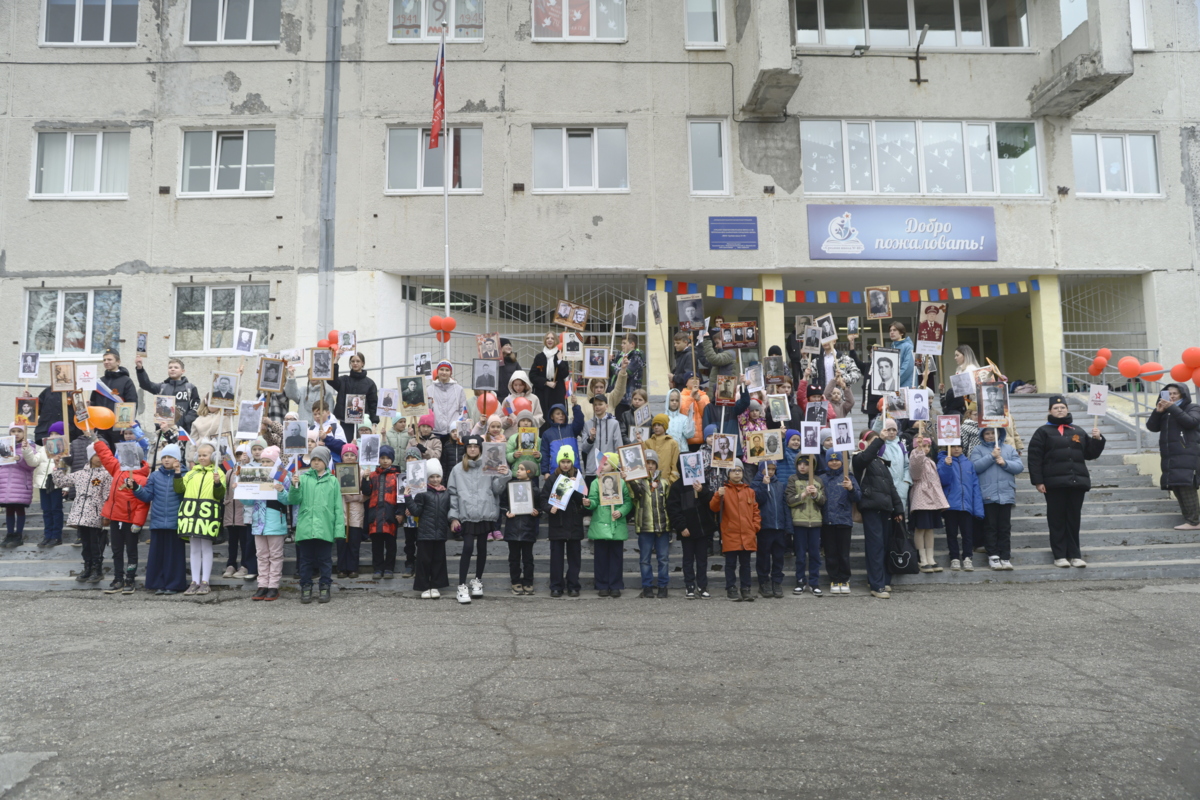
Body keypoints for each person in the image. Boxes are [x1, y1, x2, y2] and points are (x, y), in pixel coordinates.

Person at [1028, 395, 1106, 568]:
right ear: (1050, 411)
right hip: (1054, 484)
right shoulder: (1043, 432)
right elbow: (1035, 458)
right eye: (1056, 408)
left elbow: (1090, 454)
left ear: (1067, 409)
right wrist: (1038, 481)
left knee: (1073, 519)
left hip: (1076, 482)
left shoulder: (1077, 430)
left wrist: (1097, 439)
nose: (1059, 410)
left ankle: (1075, 555)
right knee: (1056, 519)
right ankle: (1059, 555)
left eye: (1062, 407)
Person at [277, 445, 344, 603]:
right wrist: (294, 486)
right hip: (306, 526)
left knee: (325, 560)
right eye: (313, 459)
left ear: (326, 462)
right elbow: (294, 500)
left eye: (319, 460)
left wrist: (339, 530)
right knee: (305, 560)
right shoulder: (303, 478)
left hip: (325, 527)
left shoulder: (333, 481)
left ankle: (324, 587)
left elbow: (338, 507)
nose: (316, 462)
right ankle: (306, 587)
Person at [448, 435, 511, 604]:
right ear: (466, 449)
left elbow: (497, 489)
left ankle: (477, 580)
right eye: (469, 447)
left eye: (476, 447)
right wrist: (453, 517)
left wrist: (504, 475)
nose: (473, 449)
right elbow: (453, 495)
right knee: (468, 547)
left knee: (482, 547)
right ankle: (461, 585)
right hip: (466, 514)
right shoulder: (457, 469)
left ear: (481, 449)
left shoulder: (490, 465)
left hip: (485, 512)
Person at [91, 439, 150, 593]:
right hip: (115, 518)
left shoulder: (142, 479)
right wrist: (97, 442)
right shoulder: (117, 469)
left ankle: (130, 579)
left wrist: (138, 523)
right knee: (116, 550)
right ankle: (118, 578)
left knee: (131, 551)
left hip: (130, 521)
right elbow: (106, 456)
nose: (123, 459)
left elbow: (142, 504)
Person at [130, 443, 187, 595]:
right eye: (164, 457)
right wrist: (136, 488)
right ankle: (158, 583)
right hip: (158, 521)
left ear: (178, 459)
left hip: (176, 521)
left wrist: (177, 474)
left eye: (170, 457)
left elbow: (183, 493)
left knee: (174, 556)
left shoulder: (186, 474)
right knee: (158, 555)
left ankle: (174, 584)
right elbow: (148, 495)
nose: (167, 460)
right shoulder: (155, 475)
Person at [853, 432, 905, 599]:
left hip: (885, 508)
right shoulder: (859, 459)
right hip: (871, 508)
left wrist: (898, 509)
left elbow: (891, 487)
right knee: (875, 546)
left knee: (883, 545)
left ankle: (880, 580)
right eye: (873, 441)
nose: (878, 444)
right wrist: (880, 439)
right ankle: (877, 585)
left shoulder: (881, 463)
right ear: (864, 442)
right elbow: (866, 456)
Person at [52, 443, 111, 584]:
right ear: (90, 457)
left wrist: (106, 514)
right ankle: (87, 567)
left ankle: (97, 568)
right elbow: (60, 482)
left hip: (96, 512)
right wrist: (58, 467)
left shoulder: (106, 474)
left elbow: (107, 495)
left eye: (101, 455)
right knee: (85, 542)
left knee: (95, 542)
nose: (99, 458)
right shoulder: (80, 474)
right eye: (96, 455)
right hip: (80, 513)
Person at [1146, 383, 1200, 530]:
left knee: (1186, 485)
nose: (1171, 396)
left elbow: (1191, 422)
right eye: (1168, 394)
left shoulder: (1193, 407)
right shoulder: (1165, 411)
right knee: (1176, 486)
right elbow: (1151, 427)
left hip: (1187, 454)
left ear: (1183, 394)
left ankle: (1194, 521)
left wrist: (1172, 408)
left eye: (1175, 393)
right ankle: (1190, 520)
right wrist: (1158, 412)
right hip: (1170, 456)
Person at [174, 443, 224, 596]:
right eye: (200, 455)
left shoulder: (218, 473)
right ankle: (194, 581)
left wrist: (217, 483)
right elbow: (179, 489)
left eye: (205, 455)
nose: (202, 458)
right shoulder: (191, 473)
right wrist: (177, 474)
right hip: (190, 514)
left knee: (206, 548)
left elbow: (220, 495)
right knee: (194, 548)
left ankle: (205, 581)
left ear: (214, 457)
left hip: (207, 515)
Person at [971, 427, 1024, 570]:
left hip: (1006, 493)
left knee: (1005, 527)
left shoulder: (1009, 449)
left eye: (992, 433)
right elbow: (975, 467)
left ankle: (1005, 556)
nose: (990, 436)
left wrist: (1005, 463)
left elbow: (1019, 467)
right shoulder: (978, 450)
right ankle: (993, 555)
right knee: (990, 526)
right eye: (986, 434)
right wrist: (991, 456)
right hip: (988, 493)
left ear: (999, 433)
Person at [710, 459, 759, 602]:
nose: (737, 473)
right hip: (731, 533)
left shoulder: (749, 491)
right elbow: (714, 508)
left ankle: (746, 589)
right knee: (730, 564)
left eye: (739, 470)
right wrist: (717, 495)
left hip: (747, 534)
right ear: (728, 473)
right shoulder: (723, 491)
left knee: (746, 564)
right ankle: (731, 588)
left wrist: (755, 527)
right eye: (733, 470)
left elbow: (755, 511)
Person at [584, 453, 633, 598]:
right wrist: (589, 504)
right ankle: (602, 585)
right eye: (600, 464)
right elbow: (593, 501)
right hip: (601, 525)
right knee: (600, 558)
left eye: (605, 464)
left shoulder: (622, 482)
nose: (601, 466)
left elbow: (628, 502)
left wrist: (621, 511)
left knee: (616, 558)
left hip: (616, 525)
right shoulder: (595, 482)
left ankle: (616, 585)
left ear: (613, 465)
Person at [539, 446, 585, 597]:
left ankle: (573, 585)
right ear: (558, 462)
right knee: (556, 558)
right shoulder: (553, 478)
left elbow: (583, 499)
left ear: (572, 462)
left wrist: (576, 487)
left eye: (568, 461)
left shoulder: (578, 477)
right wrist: (549, 508)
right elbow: (543, 499)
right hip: (557, 523)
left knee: (574, 558)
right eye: (563, 461)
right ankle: (556, 586)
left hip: (574, 524)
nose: (565, 464)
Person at [666, 461, 715, 599]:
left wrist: (702, 491)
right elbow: (673, 509)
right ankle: (690, 586)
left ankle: (702, 586)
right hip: (687, 530)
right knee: (688, 560)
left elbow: (711, 502)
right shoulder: (677, 486)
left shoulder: (702, 482)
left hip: (703, 528)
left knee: (702, 559)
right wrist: (681, 527)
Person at [628, 449, 670, 599]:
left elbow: (668, 504)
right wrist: (630, 479)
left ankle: (663, 587)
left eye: (653, 463)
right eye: (647, 463)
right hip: (645, 527)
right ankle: (647, 587)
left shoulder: (664, 483)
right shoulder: (637, 483)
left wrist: (670, 526)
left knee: (663, 558)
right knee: (645, 559)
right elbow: (635, 496)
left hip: (662, 527)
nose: (650, 466)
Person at [938, 441, 985, 572]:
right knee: (951, 533)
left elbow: (975, 487)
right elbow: (943, 480)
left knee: (967, 534)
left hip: (966, 506)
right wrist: (947, 466)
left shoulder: (968, 464)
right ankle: (954, 558)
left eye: (959, 446)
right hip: (950, 505)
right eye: (953, 446)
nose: (956, 449)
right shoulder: (943, 461)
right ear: (948, 448)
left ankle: (967, 557)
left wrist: (978, 509)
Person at [407, 459, 451, 598]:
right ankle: (424, 587)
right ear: (427, 478)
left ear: (441, 477)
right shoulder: (422, 493)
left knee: (438, 561)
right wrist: (408, 498)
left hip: (440, 533)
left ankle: (435, 586)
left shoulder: (446, 493)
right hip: (425, 534)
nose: (435, 479)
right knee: (424, 561)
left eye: (437, 476)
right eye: (431, 477)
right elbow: (416, 511)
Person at [908, 436, 949, 573]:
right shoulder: (915, 456)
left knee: (930, 528)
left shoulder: (930, 461)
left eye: (927, 446)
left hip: (932, 498)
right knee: (921, 528)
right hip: (921, 497)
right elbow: (915, 469)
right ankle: (922, 558)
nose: (925, 449)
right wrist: (918, 450)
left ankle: (930, 557)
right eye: (922, 446)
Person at [752, 460, 790, 599]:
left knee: (778, 557)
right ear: (761, 469)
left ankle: (777, 582)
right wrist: (763, 485)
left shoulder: (779, 484)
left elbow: (784, 506)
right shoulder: (755, 484)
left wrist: (787, 526)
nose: (771, 472)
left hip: (779, 527)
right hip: (765, 527)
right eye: (768, 469)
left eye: (773, 469)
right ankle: (764, 582)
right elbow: (758, 501)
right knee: (763, 557)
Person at [502, 462, 540, 595]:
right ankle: (515, 581)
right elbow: (503, 504)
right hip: (513, 528)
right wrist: (506, 511)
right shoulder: (510, 487)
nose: (518, 471)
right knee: (514, 558)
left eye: (522, 469)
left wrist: (537, 512)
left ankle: (528, 581)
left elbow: (540, 507)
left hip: (528, 529)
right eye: (518, 469)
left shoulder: (535, 490)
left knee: (528, 558)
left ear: (529, 472)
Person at [0, 423, 40, 549]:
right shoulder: (4, 446)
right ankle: (10, 533)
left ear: (24, 433)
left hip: (20, 485)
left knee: (19, 509)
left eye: (19, 431)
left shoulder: (29, 447)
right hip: (5, 485)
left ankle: (19, 534)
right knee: (9, 510)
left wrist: (19, 459)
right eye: (13, 431)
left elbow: (31, 465)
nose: (16, 433)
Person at [222, 447, 257, 581]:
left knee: (244, 541)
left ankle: (244, 564)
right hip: (231, 511)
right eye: (239, 454)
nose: (242, 456)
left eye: (245, 454)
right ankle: (231, 564)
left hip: (244, 511)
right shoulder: (230, 472)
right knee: (232, 541)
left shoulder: (251, 471)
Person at [91, 349, 139, 446]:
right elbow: (93, 402)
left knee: (118, 456)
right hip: (101, 425)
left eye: (109, 359)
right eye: (104, 360)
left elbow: (131, 403)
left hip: (118, 427)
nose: (106, 362)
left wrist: (125, 425)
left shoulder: (126, 381)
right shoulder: (100, 381)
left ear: (118, 362)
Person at [329, 353, 379, 440]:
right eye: (353, 361)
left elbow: (373, 404)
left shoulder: (370, 383)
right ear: (350, 363)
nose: (355, 363)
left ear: (362, 363)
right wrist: (335, 361)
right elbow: (332, 380)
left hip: (363, 423)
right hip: (346, 422)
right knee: (347, 447)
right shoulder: (344, 380)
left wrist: (374, 422)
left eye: (358, 361)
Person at [335, 443, 366, 578]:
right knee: (341, 542)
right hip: (341, 510)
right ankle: (341, 568)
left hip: (356, 511)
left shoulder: (363, 472)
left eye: (352, 455)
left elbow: (367, 494)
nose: (349, 457)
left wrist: (354, 497)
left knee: (354, 542)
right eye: (346, 455)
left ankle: (353, 568)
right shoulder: (336, 472)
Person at [581, 394, 623, 478]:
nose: (597, 407)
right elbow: (584, 449)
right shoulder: (587, 424)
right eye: (595, 404)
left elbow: (618, 447)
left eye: (600, 404)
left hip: (609, 470)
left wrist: (615, 466)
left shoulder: (614, 423)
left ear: (606, 406)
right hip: (592, 471)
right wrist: (591, 438)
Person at [428, 360, 469, 443]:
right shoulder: (429, 389)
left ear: (451, 373)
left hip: (453, 433)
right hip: (435, 432)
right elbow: (427, 410)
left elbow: (463, 411)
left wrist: (459, 428)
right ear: (437, 371)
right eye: (441, 369)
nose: (444, 372)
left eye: (447, 370)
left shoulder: (458, 389)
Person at [531, 331, 570, 413]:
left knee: (557, 413)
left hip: (557, 390)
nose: (550, 340)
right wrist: (546, 382)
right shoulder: (539, 357)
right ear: (545, 340)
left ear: (556, 341)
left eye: (552, 338)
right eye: (548, 338)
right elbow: (532, 376)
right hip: (542, 391)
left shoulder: (561, 355)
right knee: (543, 414)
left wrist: (560, 361)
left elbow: (565, 374)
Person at [608, 334, 644, 420]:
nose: (622, 345)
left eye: (624, 343)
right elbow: (613, 373)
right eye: (622, 343)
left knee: (624, 422)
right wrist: (611, 361)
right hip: (616, 395)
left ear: (632, 344)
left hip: (627, 397)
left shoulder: (636, 357)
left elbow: (625, 373)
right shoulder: (620, 356)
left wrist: (610, 363)